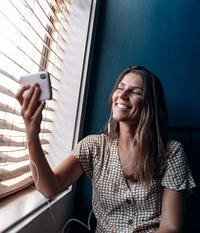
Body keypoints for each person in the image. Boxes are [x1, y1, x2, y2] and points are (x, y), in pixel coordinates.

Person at [16, 65, 195, 233]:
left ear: (150, 104)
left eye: (135, 92)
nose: (123, 95)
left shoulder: (171, 152)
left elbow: (170, 228)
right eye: (120, 88)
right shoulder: (93, 147)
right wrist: (32, 135)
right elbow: (50, 187)